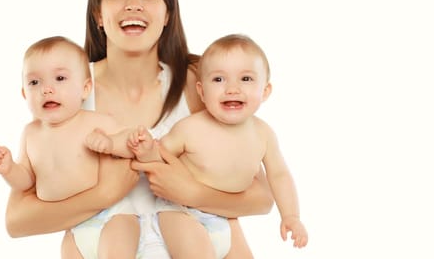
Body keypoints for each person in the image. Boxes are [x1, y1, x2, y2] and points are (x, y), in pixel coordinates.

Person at [3, 0, 275, 258]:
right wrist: (104, 194)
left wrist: (191, 192)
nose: (134, 5)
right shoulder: (68, 86)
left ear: (167, 13)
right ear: (98, 15)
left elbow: (261, 197)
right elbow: (17, 220)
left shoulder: (201, 83)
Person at [129, 34, 309, 257]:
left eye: (246, 79)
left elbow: (279, 175)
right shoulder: (190, 128)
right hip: (180, 212)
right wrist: (147, 150)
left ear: (265, 92)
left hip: (225, 216)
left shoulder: (264, 134)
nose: (232, 89)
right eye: (218, 80)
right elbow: (161, 157)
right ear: (202, 92)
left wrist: (291, 216)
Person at [0, 36, 151, 257]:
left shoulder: (95, 122)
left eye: (60, 78)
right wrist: (9, 170)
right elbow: (27, 180)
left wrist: (110, 143)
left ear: (85, 89)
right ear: (24, 94)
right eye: (34, 82)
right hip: (73, 225)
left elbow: (130, 146)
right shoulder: (30, 133)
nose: (47, 89)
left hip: (113, 216)